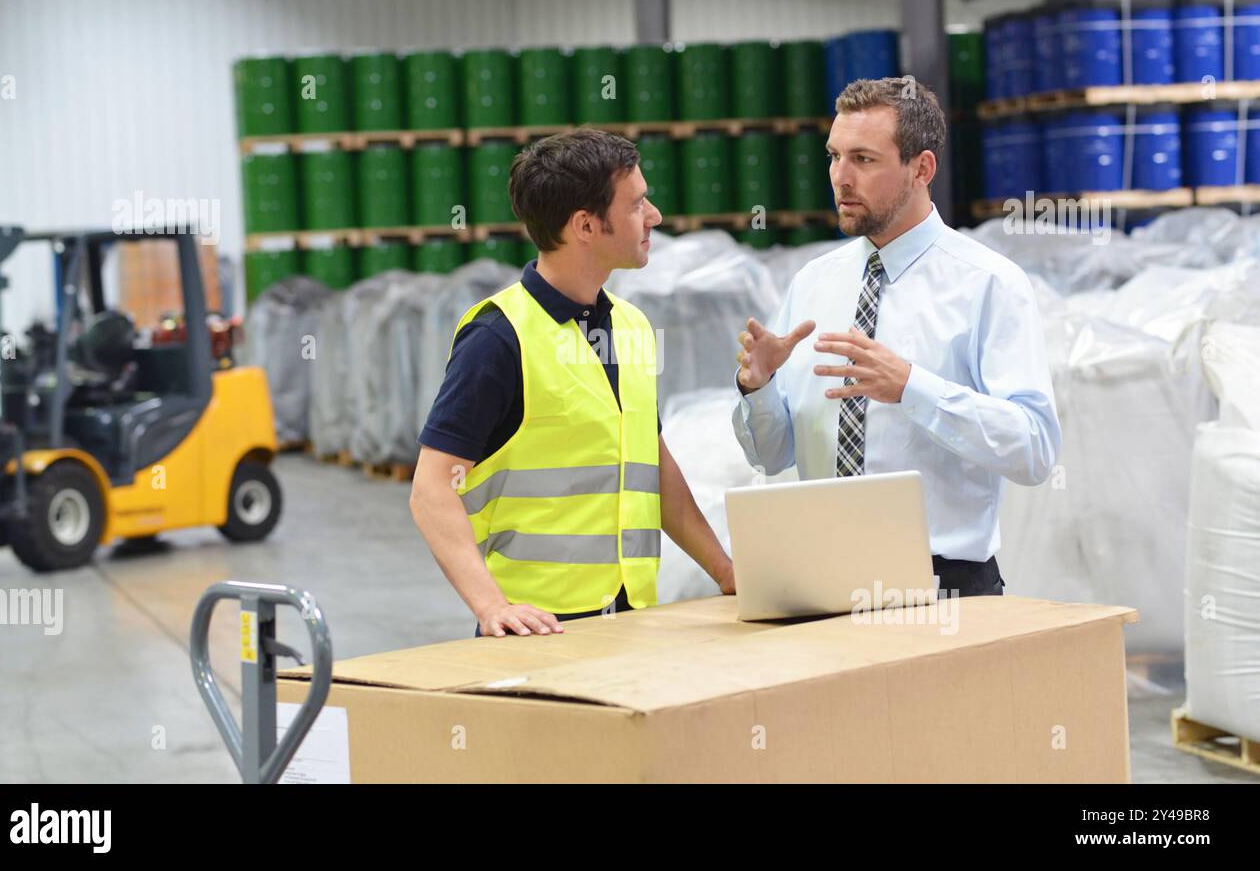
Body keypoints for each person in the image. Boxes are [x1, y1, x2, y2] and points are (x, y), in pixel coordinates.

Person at [732, 77, 1060, 597]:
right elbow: (772, 456)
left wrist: (911, 387)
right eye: (834, 156)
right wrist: (759, 388)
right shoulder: (813, 284)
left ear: (921, 168)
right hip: (822, 579)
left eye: (863, 159)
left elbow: (1034, 449)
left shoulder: (988, 283)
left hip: (943, 589)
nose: (840, 178)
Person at [412, 128, 735, 637]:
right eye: (636, 205)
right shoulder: (498, 338)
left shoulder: (630, 324)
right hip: (538, 631)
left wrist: (724, 570)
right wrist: (492, 607)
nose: (654, 217)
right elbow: (432, 488)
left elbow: (650, 460)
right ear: (586, 225)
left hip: (630, 619)